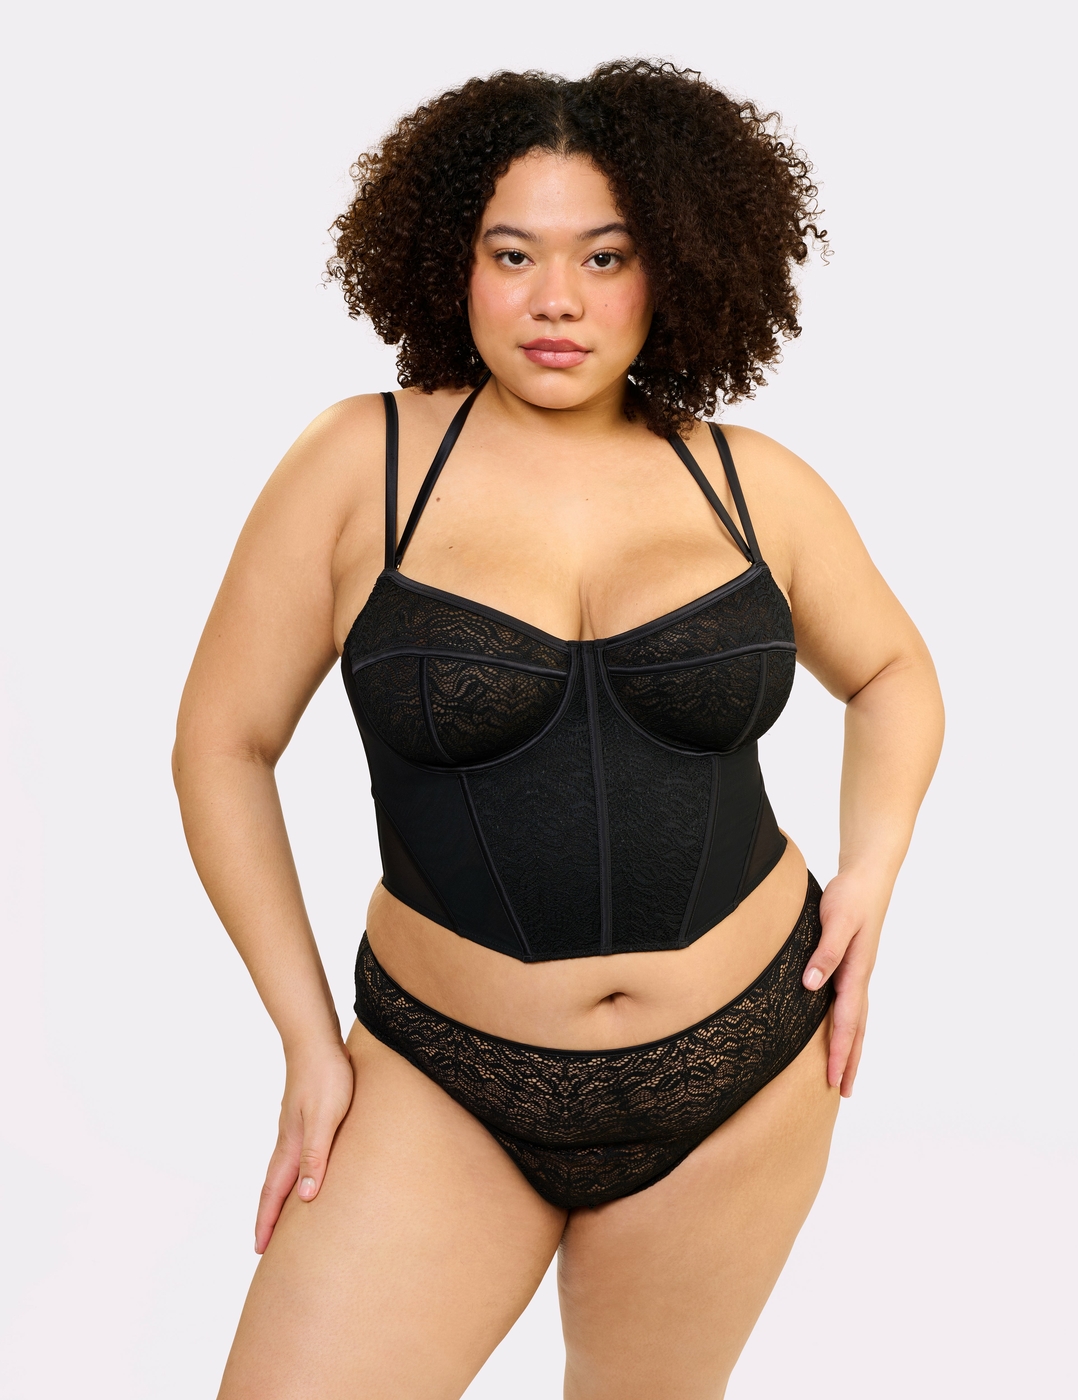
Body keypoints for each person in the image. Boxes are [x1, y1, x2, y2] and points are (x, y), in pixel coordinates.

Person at [173, 59, 944, 1400]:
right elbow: (220, 745)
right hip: (437, 1076)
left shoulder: (753, 483)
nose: (557, 301)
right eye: (512, 253)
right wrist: (305, 1039)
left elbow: (892, 673)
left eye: (606, 255)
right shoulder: (363, 465)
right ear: (451, 263)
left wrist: (870, 872)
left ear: (676, 268)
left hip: (748, 1068)